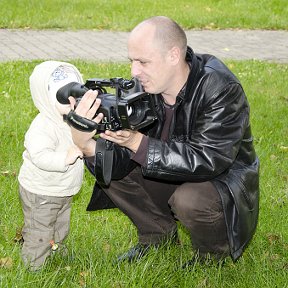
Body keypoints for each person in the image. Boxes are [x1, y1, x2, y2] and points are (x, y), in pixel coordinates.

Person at [70, 16, 260, 266]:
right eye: (132, 61)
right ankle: (157, 236)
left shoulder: (219, 87)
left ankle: (213, 255)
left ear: (173, 55)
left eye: (143, 62)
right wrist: (86, 144)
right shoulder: (144, 88)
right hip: (171, 171)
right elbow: (118, 163)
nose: (134, 72)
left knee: (190, 200)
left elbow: (208, 159)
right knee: (111, 169)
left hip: (221, 183)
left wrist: (137, 143)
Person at [18, 61, 84, 271]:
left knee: (60, 223)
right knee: (40, 230)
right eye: (65, 99)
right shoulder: (42, 126)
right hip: (42, 192)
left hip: (62, 189)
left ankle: (56, 248)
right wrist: (65, 158)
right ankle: (33, 265)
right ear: (47, 98)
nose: (72, 103)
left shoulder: (70, 118)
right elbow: (39, 156)